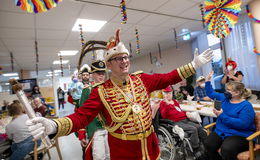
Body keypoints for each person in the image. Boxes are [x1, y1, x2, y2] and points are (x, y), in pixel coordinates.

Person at [25, 30, 213, 160]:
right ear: (109, 65)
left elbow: (167, 77)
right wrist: (53, 125)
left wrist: (193, 65)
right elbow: (82, 117)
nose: (124, 61)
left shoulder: (142, 79)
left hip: (151, 146)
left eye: (125, 57)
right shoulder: (100, 91)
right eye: (118, 58)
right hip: (123, 152)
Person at [204, 71, 256, 160]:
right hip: (222, 131)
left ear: (237, 92)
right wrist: (207, 81)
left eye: (229, 90)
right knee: (208, 143)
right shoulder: (224, 98)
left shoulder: (246, 106)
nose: (226, 92)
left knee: (227, 149)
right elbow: (210, 93)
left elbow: (243, 124)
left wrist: (222, 115)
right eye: (226, 89)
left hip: (240, 134)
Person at [160, 86, 207, 156]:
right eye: (166, 93)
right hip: (176, 122)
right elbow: (164, 115)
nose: (168, 94)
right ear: (163, 94)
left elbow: (179, 111)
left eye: (169, 93)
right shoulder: (163, 103)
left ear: (172, 93)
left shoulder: (175, 101)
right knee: (193, 129)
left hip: (185, 119)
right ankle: (196, 149)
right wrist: (167, 104)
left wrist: (186, 113)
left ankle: (205, 145)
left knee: (199, 127)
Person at [78, 59, 109, 160]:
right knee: (99, 157)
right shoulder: (87, 90)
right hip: (95, 129)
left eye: (103, 73)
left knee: (110, 156)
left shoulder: (108, 89)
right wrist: (82, 133)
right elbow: (82, 113)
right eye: (98, 73)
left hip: (109, 128)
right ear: (93, 74)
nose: (101, 76)